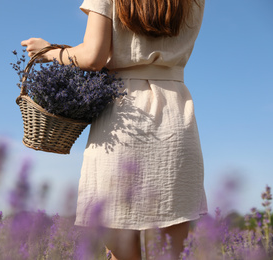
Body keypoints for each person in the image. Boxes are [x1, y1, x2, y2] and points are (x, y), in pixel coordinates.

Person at [21, 0, 207, 259]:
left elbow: (93, 57)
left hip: (122, 120)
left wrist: (48, 51)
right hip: (175, 118)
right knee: (169, 253)